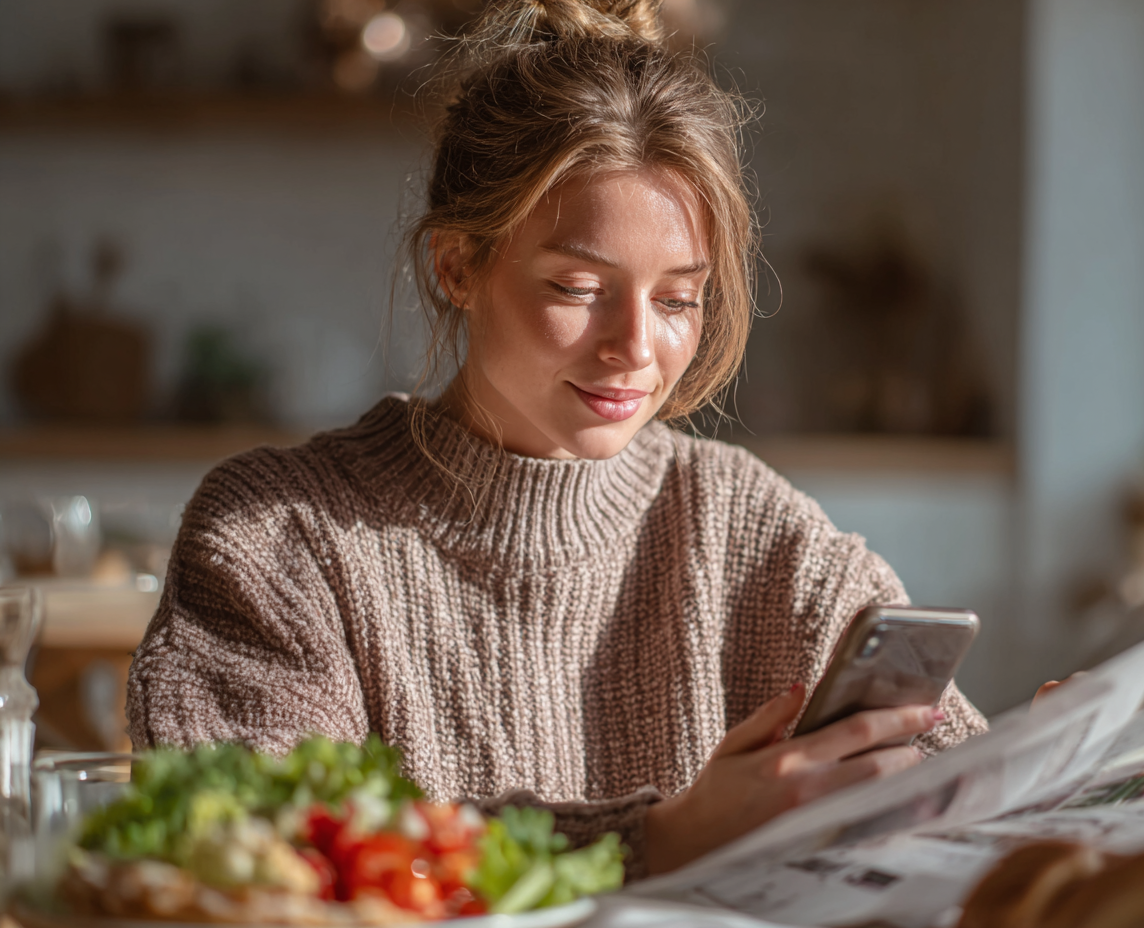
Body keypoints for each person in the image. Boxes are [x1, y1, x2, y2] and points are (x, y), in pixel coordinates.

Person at [126, 0, 990, 879]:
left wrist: (1081, 778)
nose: (636, 348)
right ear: (458, 266)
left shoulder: (752, 525)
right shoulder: (279, 540)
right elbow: (254, 864)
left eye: (678, 299)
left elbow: (957, 793)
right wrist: (655, 844)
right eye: (579, 287)